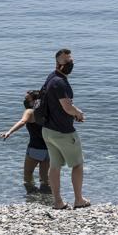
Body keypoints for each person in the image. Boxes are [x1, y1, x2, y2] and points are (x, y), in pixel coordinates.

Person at [41, 48, 90, 210]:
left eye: (71, 61)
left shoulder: (51, 78)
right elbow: (67, 107)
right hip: (63, 132)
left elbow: (58, 104)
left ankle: (58, 202)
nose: (70, 64)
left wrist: (73, 112)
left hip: (48, 130)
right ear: (58, 63)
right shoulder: (60, 82)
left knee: (55, 166)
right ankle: (79, 200)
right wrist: (78, 114)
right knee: (78, 164)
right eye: (67, 61)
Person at [0, 90, 52, 195]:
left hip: (35, 149)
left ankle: (32, 195)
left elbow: (22, 121)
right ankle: (47, 198)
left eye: (27, 99)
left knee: (28, 174)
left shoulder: (30, 111)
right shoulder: (47, 111)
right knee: (45, 178)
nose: (25, 101)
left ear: (34, 101)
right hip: (49, 149)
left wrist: (9, 132)